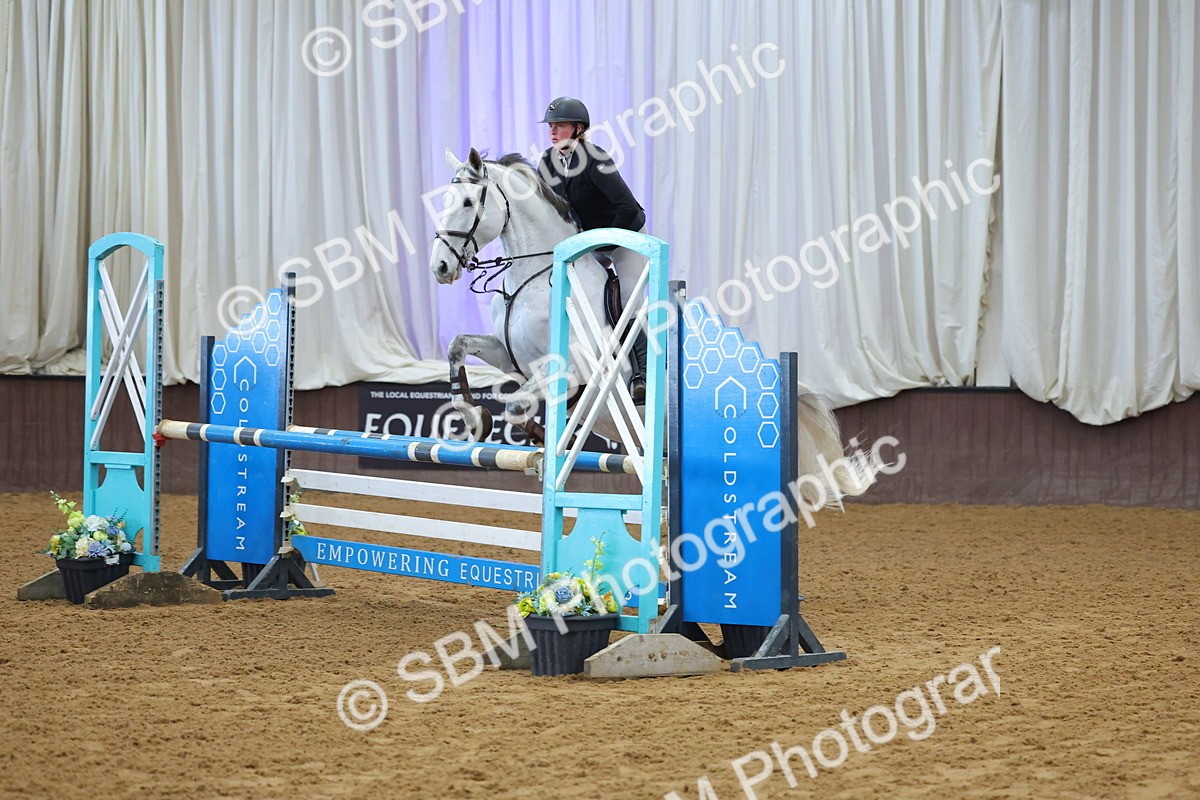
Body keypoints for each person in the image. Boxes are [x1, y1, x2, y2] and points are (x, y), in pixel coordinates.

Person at [537, 96, 650, 403]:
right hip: (586, 241)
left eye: (560, 125)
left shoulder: (593, 156)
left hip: (624, 236)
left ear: (578, 128)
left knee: (626, 299)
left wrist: (598, 243)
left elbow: (627, 208)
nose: (553, 130)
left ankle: (642, 373)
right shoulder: (547, 163)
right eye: (551, 125)